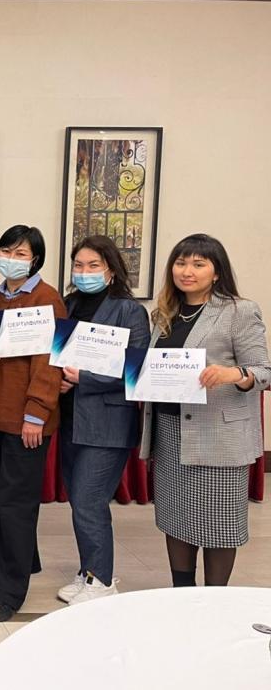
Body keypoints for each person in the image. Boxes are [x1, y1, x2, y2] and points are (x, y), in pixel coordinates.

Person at [138, 234, 270, 588]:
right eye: (181, 263)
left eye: (198, 264)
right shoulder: (164, 312)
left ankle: (215, 600)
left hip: (218, 436)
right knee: (175, 519)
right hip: (170, 432)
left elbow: (264, 372)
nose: (187, 271)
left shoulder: (239, 311)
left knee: (219, 527)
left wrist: (234, 374)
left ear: (217, 272)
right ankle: (182, 593)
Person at [0, 225, 66, 622]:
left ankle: (5, 591)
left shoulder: (47, 299)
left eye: (20, 254)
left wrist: (36, 413)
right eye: (6, 251)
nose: (11, 259)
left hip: (27, 421)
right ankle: (21, 557)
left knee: (15, 502)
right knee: (5, 496)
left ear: (35, 259)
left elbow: (50, 361)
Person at [56, 235, 149, 604]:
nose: (84, 272)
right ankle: (88, 571)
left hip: (108, 422)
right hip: (70, 419)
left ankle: (102, 580)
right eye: (79, 265)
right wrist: (60, 380)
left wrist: (85, 378)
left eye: (93, 265)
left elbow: (135, 370)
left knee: (89, 500)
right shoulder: (69, 305)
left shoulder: (129, 311)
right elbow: (57, 355)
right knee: (79, 502)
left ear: (111, 270)